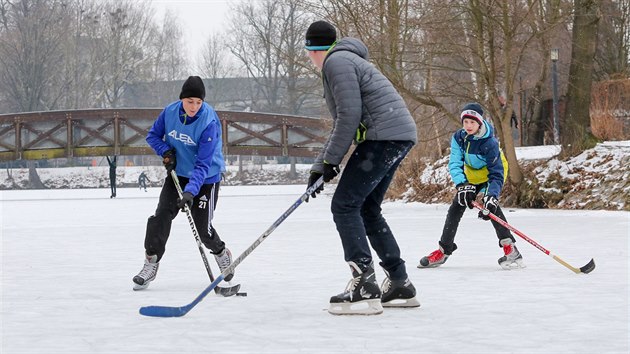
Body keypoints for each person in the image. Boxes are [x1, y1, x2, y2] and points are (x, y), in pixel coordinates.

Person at [304, 20, 420, 315]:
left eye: (309, 51)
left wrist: (330, 162)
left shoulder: (336, 62)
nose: (309, 57)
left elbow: (348, 116)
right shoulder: (347, 58)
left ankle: (364, 285)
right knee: (367, 208)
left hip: (385, 136)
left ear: (315, 49)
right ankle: (399, 283)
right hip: (397, 135)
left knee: (344, 205)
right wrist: (322, 165)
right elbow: (348, 120)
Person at [132, 76, 233, 290]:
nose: (194, 107)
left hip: (206, 179)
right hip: (178, 174)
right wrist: (166, 151)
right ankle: (151, 262)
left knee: (202, 229)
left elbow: (203, 164)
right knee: (161, 216)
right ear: (181, 100)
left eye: (198, 102)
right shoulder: (169, 112)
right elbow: (153, 136)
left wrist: (190, 191)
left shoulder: (209, 123)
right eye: (190, 101)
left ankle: (221, 252)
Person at [417, 103, 525, 270]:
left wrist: (491, 195)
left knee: (491, 207)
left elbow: (496, 174)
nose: (468, 126)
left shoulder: (489, 142)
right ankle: (443, 251)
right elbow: (454, 163)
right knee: (456, 207)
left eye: (472, 122)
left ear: (480, 123)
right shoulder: (459, 138)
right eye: (465, 122)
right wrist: (462, 184)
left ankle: (510, 248)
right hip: (471, 177)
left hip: (493, 175)